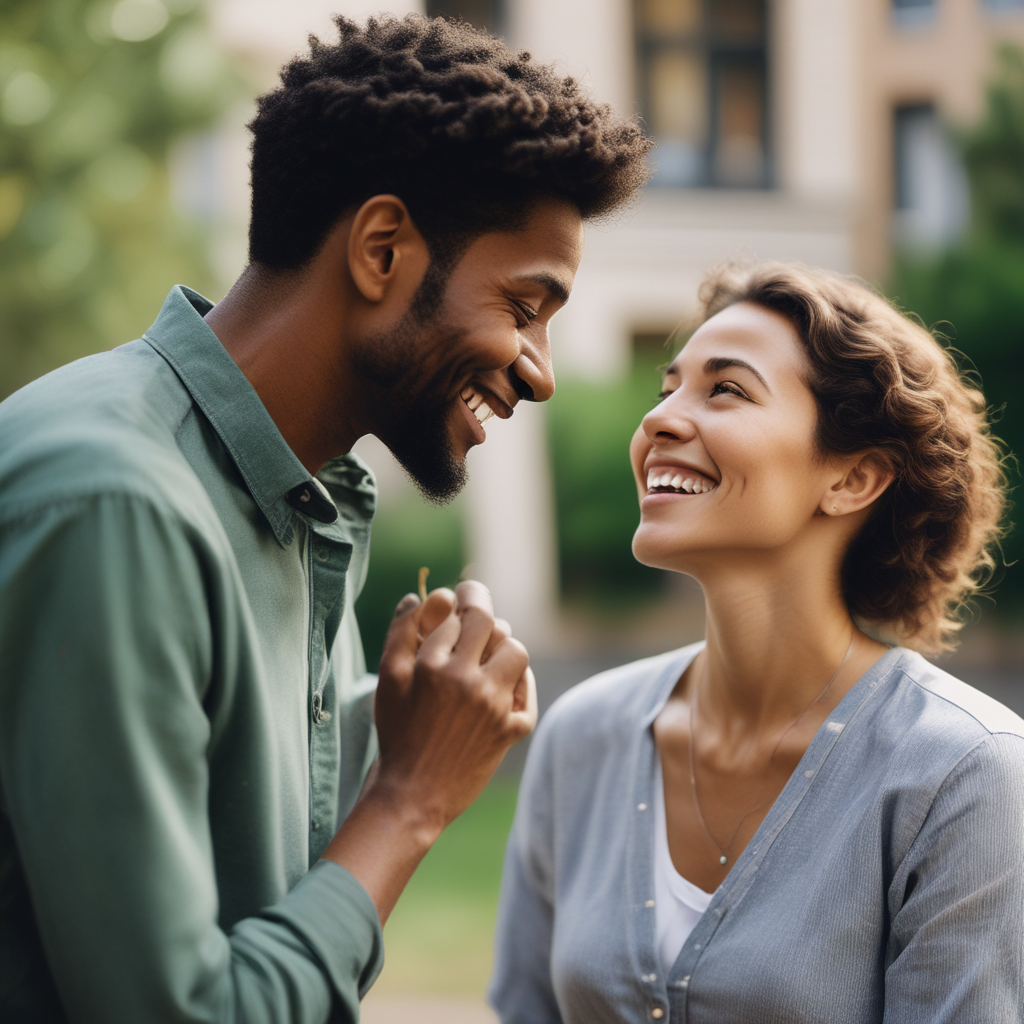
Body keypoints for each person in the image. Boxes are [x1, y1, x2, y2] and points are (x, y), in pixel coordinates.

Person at [0, 14, 651, 1023]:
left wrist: (395, 728)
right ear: (382, 248)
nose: (541, 372)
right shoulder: (115, 499)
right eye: (524, 307)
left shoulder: (305, 508)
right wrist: (410, 798)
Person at [489, 262, 1024, 1023]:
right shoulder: (583, 735)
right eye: (666, 388)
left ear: (853, 478)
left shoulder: (964, 774)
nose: (661, 420)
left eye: (726, 389)